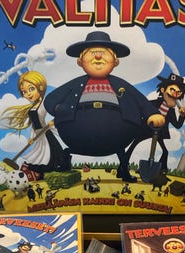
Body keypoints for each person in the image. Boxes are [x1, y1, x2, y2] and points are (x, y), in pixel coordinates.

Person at [44, 31, 165, 182]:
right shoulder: (75, 84)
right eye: (92, 53)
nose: (98, 57)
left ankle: (124, 169)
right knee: (70, 149)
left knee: (121, 150)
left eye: (104, 53)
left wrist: (152, 114)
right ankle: (65, 161)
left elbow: (141, 101)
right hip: (76, 134)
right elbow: (50, 100)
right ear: (80, 61)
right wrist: (58, 109)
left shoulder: (121, 85)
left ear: (115, 61)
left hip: (117, 136)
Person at [2, 70, 71, 174]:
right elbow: (33, 124)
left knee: (49, 150)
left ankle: (57, 164)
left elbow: (58, 111)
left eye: (31, 89)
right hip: (38, 133)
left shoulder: (45, 103)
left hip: (45, 131)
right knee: (41, 151)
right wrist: (31, 137)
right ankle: (48, 166)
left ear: (41, 87)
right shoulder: (32, 107)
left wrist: (54, 120)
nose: (28, 94)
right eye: (24, 92)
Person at [126, 73, 185, 172]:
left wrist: (182, 116)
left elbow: (177, 125)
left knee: (165, 151)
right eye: (172, 90)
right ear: (163, 90)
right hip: (146, 129)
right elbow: (140, 111)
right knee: (133, 145)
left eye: (178, 92)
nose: (175, 94)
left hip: (159, 132)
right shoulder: (153, 103)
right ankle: (124, 165)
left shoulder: (171, 111)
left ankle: (161, 170)